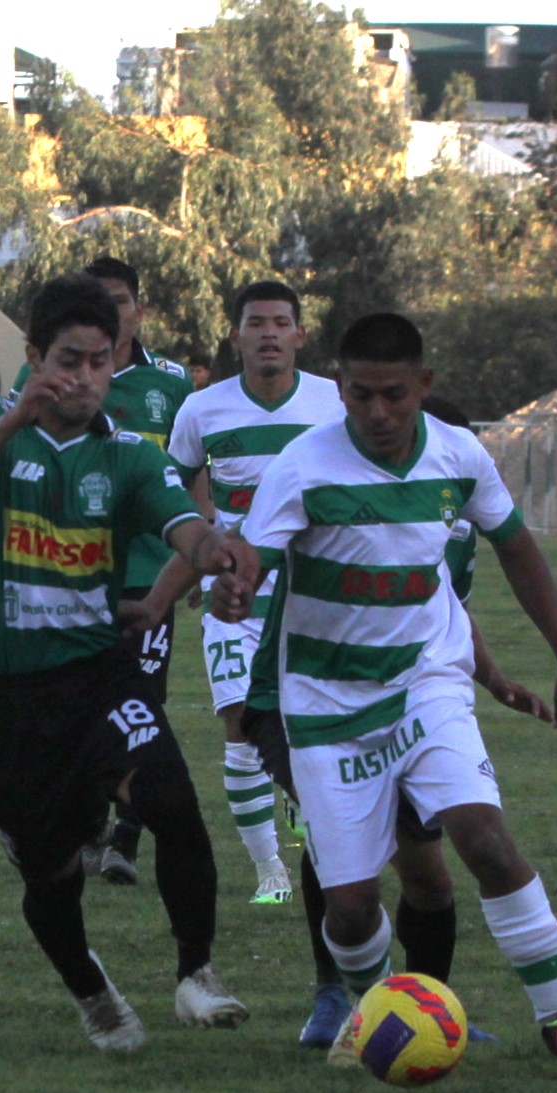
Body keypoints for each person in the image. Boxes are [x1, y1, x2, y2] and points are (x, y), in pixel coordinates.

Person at [217, 311, 557, 1077]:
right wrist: (236, 587)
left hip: (423, 686)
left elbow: (518, 551)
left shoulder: (459, 454)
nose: (377, 413)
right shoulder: (303, 465)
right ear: (339, 389)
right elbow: (253, 560)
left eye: (394, 396)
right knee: (351, 908)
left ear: (424, 387)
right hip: (324, 706)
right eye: (360, 395)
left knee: (486, 843)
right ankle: (377, 1013)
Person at [0, 272, 249, 1051]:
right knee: (51, 873)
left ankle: (196, 975)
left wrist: (219, 556)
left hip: (97, 676)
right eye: (69, 360)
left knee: (172, 802)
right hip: (2, 697)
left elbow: (185, 529)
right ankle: (93, 991)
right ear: (34, 357)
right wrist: (18, 417)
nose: (85, 378)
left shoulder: (129, 458)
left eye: (100, 362)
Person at [165, 281, 344, 905]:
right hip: (235, 598)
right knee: (240, 725)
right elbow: (177, 490)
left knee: (308, 730)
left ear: (299, 333)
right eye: (256, 323)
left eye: (280, 322)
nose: (268, 332)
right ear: (236, 334)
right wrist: (196, 557)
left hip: (316, 597)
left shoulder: (333, 404)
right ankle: (271, 870)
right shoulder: (202, 410)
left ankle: (303, 807)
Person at [79, 256, 195, 885]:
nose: (111, 312)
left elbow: (194, 479)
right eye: (97, 300)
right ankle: (89, 826)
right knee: (79, 703)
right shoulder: (57, 376)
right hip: (74, 569)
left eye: (121, 301)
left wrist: (199, 561)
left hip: (152, 574)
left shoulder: (172, 387)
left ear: (139, 310)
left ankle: (126, 838)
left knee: (143, 703)